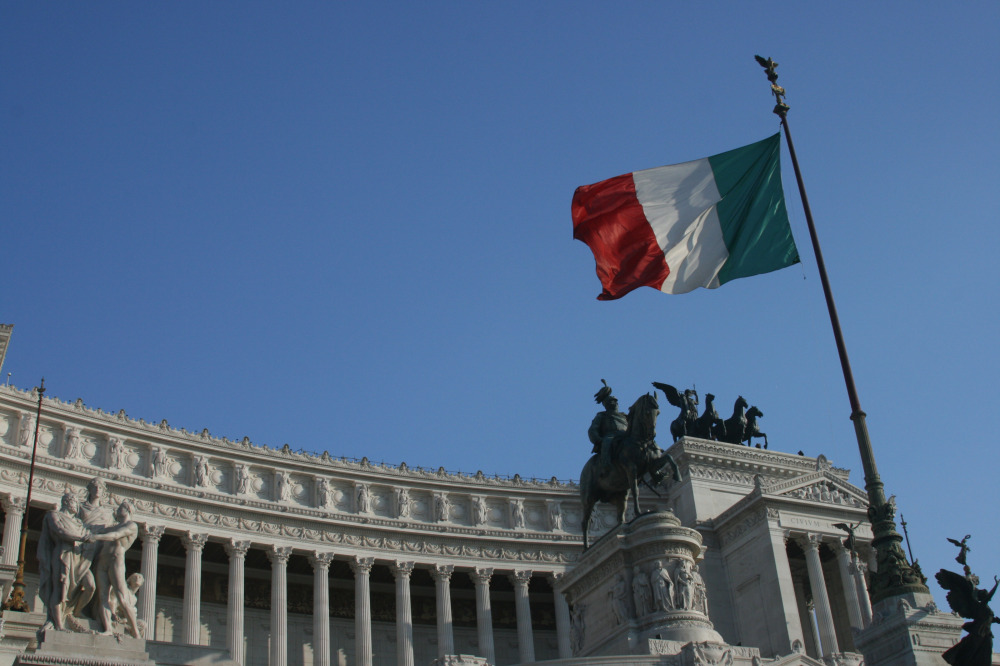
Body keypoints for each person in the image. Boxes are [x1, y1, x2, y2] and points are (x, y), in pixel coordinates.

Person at [37, 492, 95, 631]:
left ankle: (76, 611)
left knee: (90, 585)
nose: (77, 507)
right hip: (63, 554)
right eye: (76, 503)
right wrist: (82, 538)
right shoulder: (54, 515)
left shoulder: (78, 522)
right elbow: (61, 531)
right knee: (60, 589)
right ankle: (58, 625)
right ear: (68, 502)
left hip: (78, 557)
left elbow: (89, 536)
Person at [87, 500, 141, 638]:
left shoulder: (131, 526)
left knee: (122, 598)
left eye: (120, 508)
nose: (117, 510)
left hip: (116, 560)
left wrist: (95, 537)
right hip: (102, 561)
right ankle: (108, 629)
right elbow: (95, 528)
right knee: (103, 596)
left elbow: (115, 536)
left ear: (127, 509)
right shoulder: (112, 526)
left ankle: (135, 631)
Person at [588, 380, 628, 468]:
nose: (615, 403)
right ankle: (606, 465)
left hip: (625, 436)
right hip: (611, 437)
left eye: (615, 401)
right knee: (607, 442)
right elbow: (593, 429)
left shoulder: (625, 416)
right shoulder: (602, 415)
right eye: (611, 402)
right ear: (606, 404)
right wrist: (598, 440)